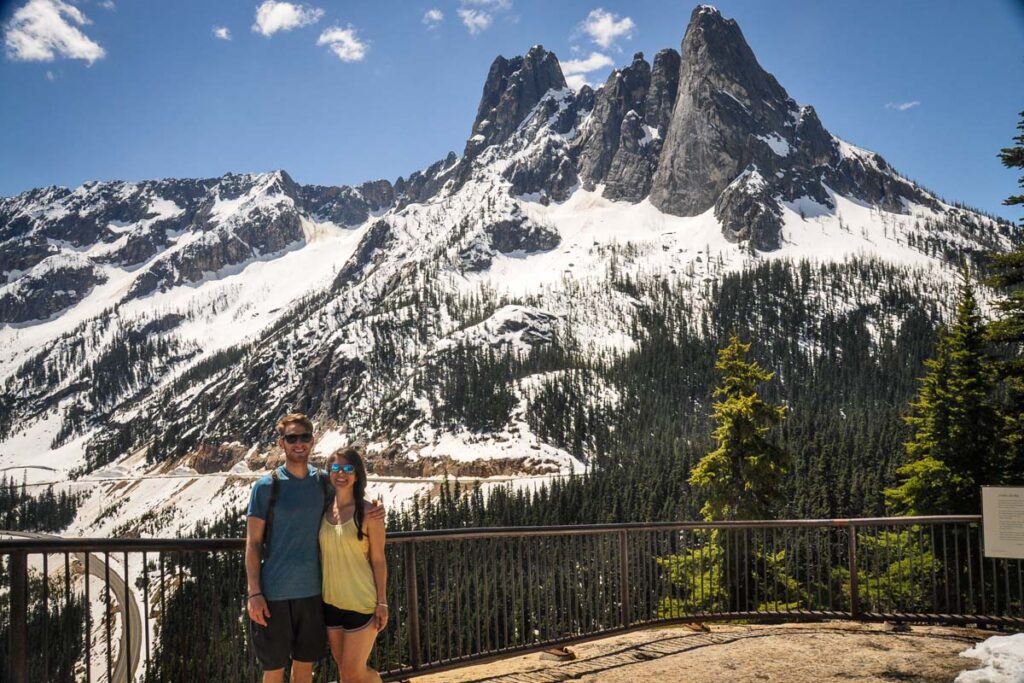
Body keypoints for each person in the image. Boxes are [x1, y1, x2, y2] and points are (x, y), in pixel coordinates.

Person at [245, 413, 384, 683]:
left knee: (304, 667)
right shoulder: (265, 487)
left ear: (312, 440)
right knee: (273, 669)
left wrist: (374, 507)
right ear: (281, 443)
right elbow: (252, 543)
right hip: (273, 593)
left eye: (304, 437)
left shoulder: (323, 482)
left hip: (314, 594)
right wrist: (254, 592)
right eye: (291, 438)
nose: (299, 443)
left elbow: (349, 495)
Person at [320, 446, 388, 683]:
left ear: (357, 474)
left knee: (352, 672)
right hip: (331, 602)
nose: (341, 473)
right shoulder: (324, 510)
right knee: (343, 669)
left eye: (348, 468)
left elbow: (379, 560)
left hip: (361, 603)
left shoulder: (370, 513)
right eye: (335, 468)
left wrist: (382, 602)